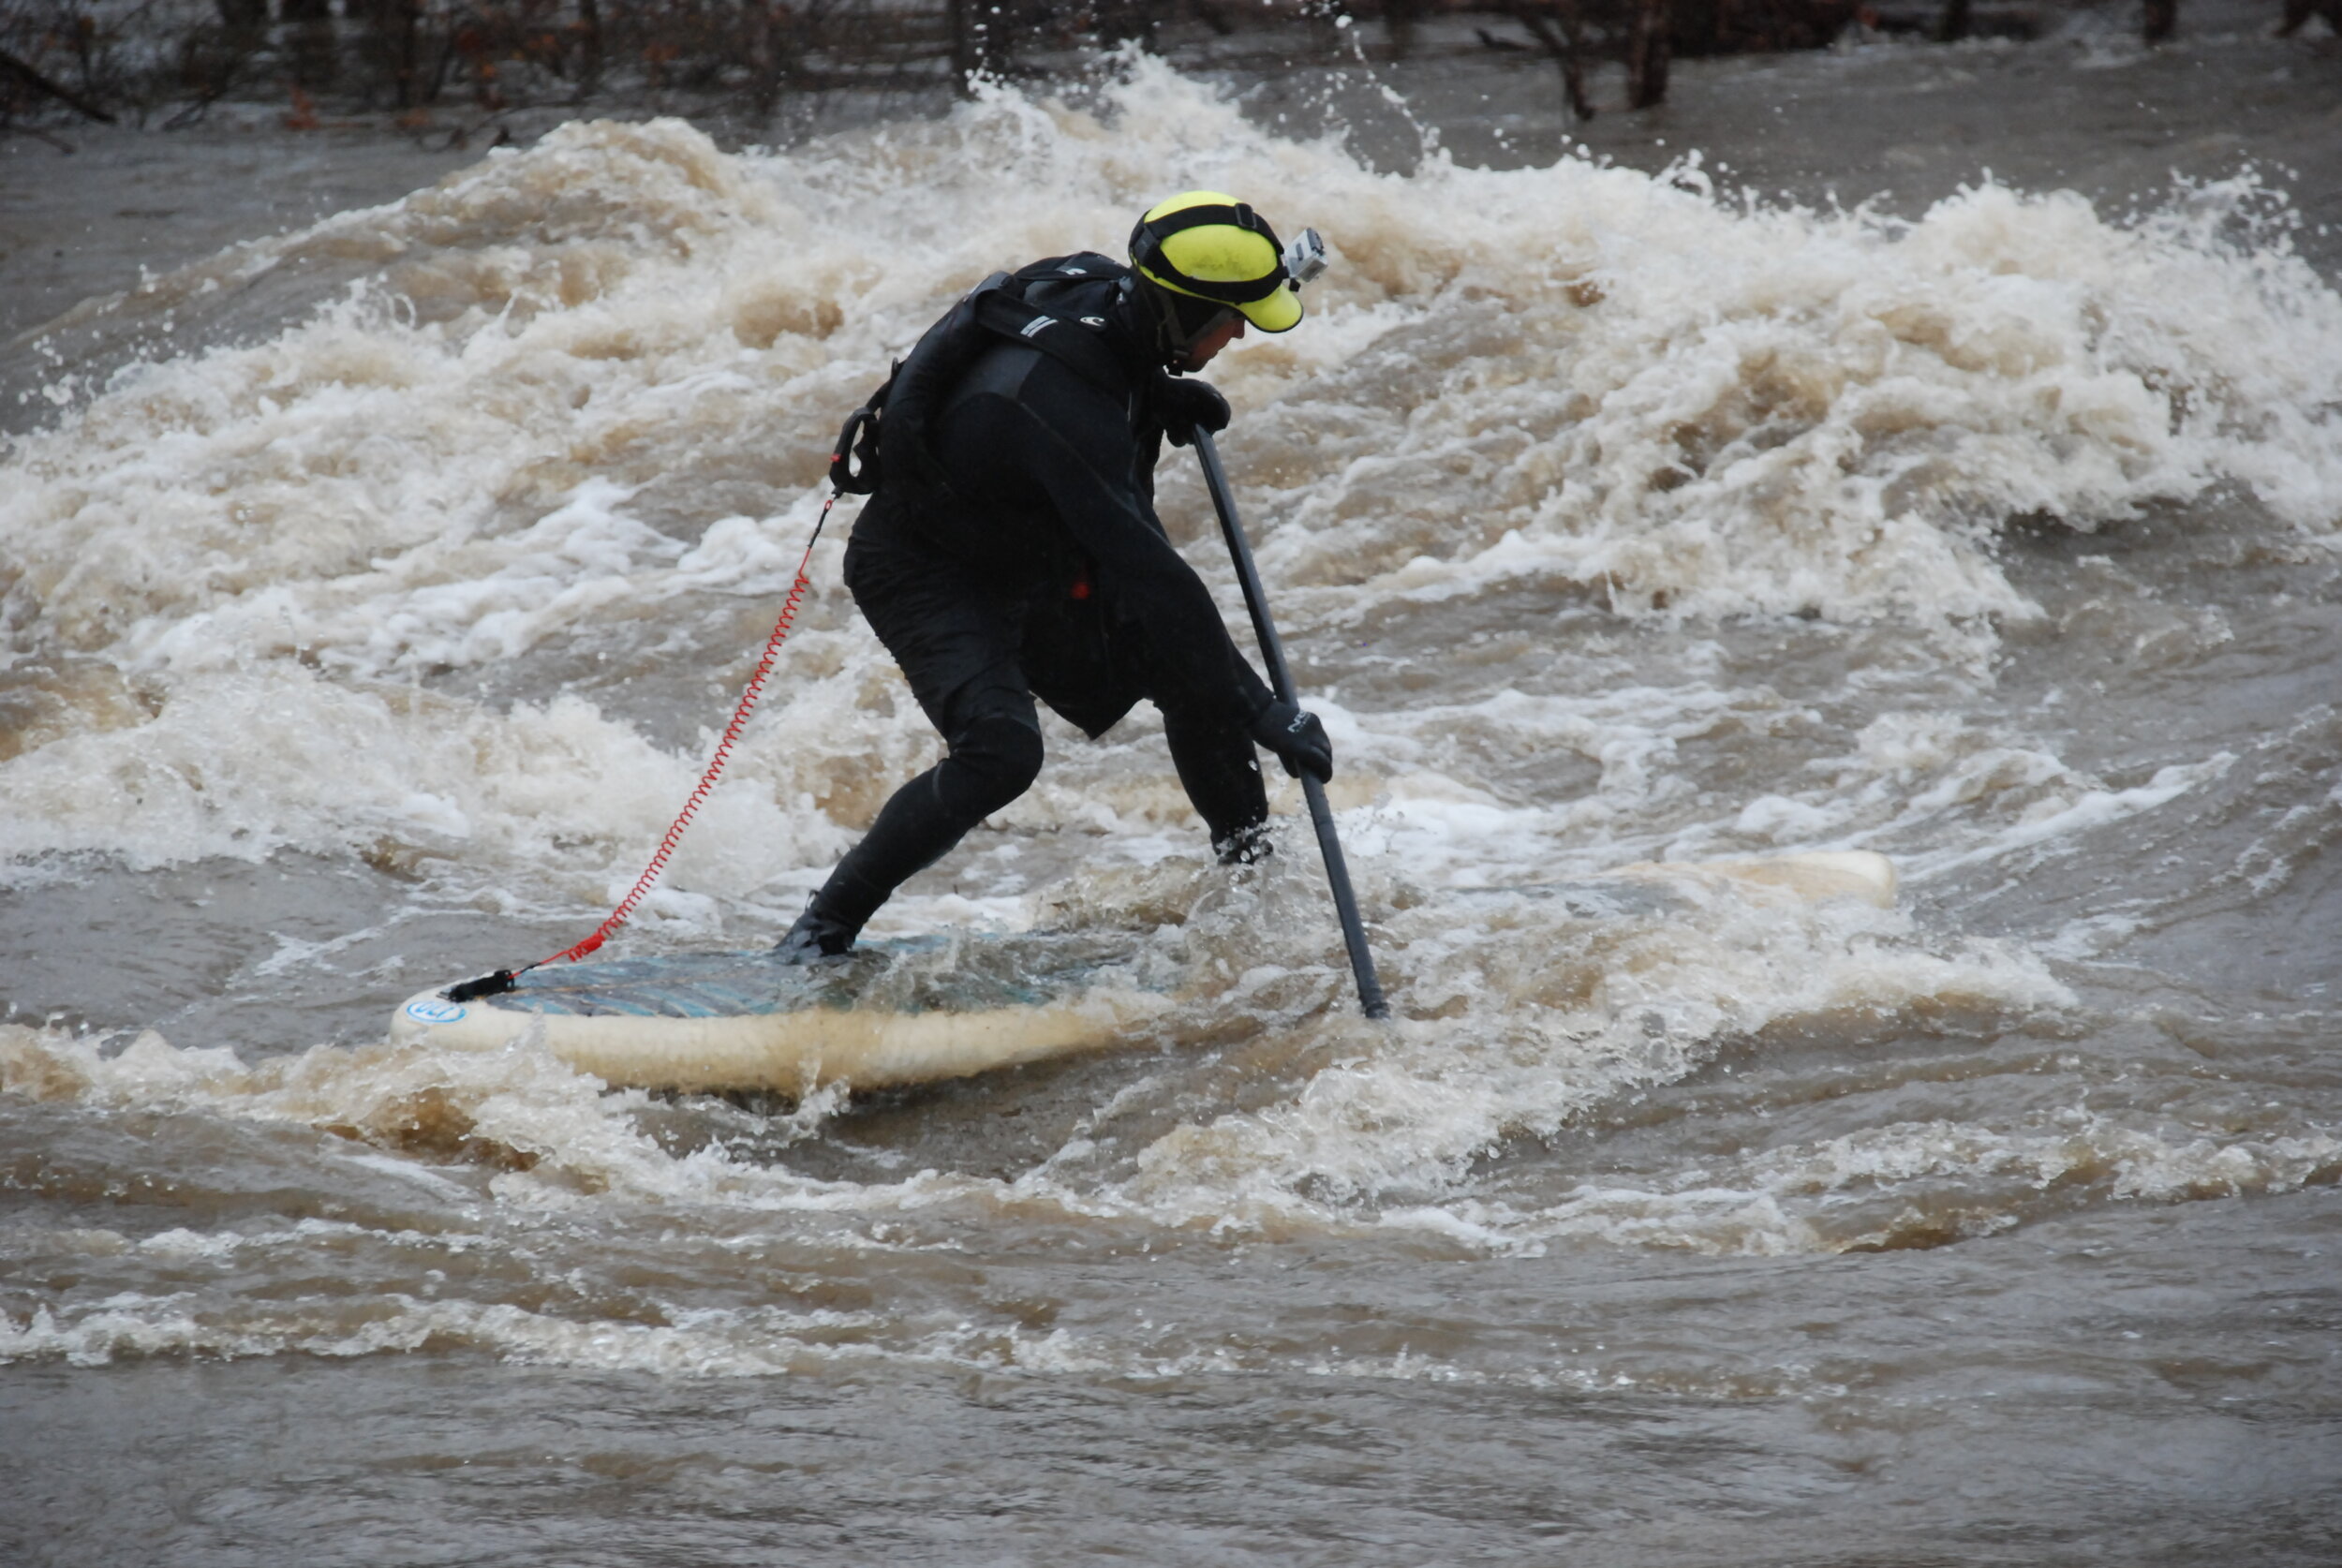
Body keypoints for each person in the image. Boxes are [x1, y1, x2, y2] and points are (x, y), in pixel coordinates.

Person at [775, 191, 1335, 962]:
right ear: (1178, 310)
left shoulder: (1108, 293)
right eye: (1230, 318)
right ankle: (819, 933)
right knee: (1002, 753)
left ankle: (1251, 894)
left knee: (1194, 678)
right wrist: (1265, 713)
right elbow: (1150, 575)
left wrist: (1155, 391)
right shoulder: (1060, 406)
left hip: (1028, 546)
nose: (1239, 333)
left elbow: (1096, 376)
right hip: (925, 567)